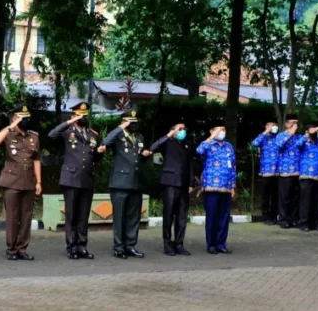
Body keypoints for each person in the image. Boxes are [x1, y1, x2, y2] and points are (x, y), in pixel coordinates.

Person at [48, 102, 101, 259]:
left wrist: (100, 152)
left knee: (83, 216)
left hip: (87, 179)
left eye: (85, 115)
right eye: (79, 115)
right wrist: (69, 122)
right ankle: (71, 246)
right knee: (71, 215)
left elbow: (96, 158)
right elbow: (51, 135)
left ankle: (82, 246)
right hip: (70, 178)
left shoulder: (93, 135)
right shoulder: (67, 132)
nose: (82, 118)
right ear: (73, 116)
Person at [0, 105, 42, 261]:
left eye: (27, 118)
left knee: (26, 217)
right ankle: (11, 249)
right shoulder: (8, 134)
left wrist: (39, 181)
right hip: (12, 180)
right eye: (21, 118)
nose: (25, 121)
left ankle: (22, 248)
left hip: (29, 181)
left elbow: (37, 160)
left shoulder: (34, 136)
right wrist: (11, 125)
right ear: (15, 118)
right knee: (12, 217)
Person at [100, 109, 148, 259]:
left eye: (135, 122)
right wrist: (120, 127)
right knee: (120, 217)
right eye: (130, 122)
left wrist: (145, 155)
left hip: (135, 182)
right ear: (124, 122)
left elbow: (138, 158)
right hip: (120, 183)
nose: (133, 125)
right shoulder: (118, 136)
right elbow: (105, 142)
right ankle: (119, 247)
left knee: (133, 217)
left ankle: (130, 245)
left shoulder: (139, 137)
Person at [146, 123, 195, 256]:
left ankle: (179, 244)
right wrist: (169, 135)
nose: (182, 131)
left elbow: (190, 163)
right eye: (180, 129)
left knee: (182, 216)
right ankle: (167, 244)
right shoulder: (167, 142)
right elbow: (153, 147)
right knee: (169, 215)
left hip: (183, 183)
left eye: (184, 129)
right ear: (172, 130)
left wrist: (191, 182)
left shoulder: (187, 144)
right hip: (170, 183)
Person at [196, 123, 236, 254]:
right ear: (212, 131)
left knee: (224, 217)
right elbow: (199, 151)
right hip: (211, 187)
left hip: (226, 187)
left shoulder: (228, 146)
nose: (222, 132)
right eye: (219, 130)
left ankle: (221, 244)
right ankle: (211, 244)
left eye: (223, 130)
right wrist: (212, 137)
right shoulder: (208, 145)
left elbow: (233, 167)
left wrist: (233, 185)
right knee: (212, 216)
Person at [296, 121, 318, 232]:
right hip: (306, 175)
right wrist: (307, 134)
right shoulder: (303, 142)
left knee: (317, 201)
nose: (316, 133)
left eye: (317, 131)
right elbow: (298, 144)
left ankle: (314, 222)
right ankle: (303, 222)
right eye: (314, 130)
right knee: (305, 201)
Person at [251, 121, 279, 225]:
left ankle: (274, 216)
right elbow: (254, 143)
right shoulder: (263, 137)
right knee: (266, 196)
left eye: (275, 126)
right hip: (266, 171)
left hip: (278, 172)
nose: (274, 128)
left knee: (276, 196)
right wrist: (265, 132)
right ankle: (266, 217)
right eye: (272, 126)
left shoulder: (279, 138)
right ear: (267, 127)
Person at [276, 114, 301, 229]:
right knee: (284, 197)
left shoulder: (299, 137)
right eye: (292, 122)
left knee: (295, 197)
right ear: (286, 124)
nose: (294, 124)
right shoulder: (281, 135)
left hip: (298, 171)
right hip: (285, 171)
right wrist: (291, 132)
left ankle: (294, 219)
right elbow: (280, 144)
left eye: (296, 122)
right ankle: (283, 219)